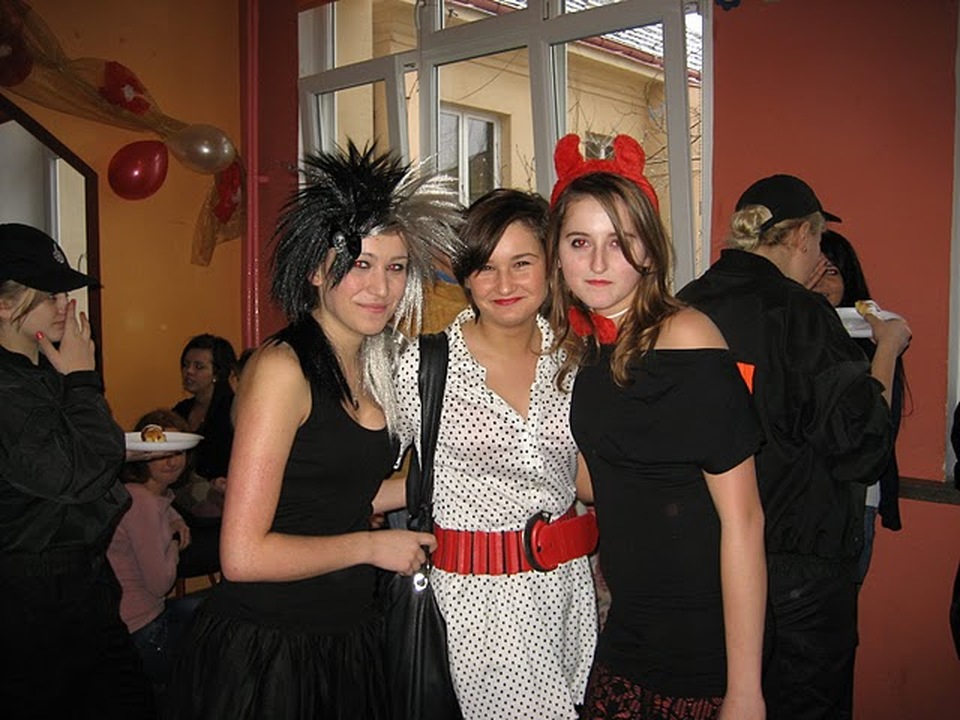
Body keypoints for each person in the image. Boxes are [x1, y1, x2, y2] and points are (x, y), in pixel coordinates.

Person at [166, 141, 464, 719]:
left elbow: (335, 498)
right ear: (316, 268)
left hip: (346, 634)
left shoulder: (372, 363)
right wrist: (373, 546)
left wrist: (454, 480)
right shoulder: (283, 368)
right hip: (272, 649)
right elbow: (242, 556)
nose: (381, 288)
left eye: (396, 267)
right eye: (360, 264)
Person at [547, 134, 767, 720]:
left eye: (620, 242)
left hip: (700, 645)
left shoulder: (688, 340)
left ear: (650, 249)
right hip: (627, 634)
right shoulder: (587, 346)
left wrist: (745, 690)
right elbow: (596, 482)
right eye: (580, 242)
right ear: (558, 253)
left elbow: (744, 520)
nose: (598, 263)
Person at [678, 174, 912, 720]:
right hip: (797, 581)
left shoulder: (685, 305)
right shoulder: (801, 316)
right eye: (819, 241)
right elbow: (864, 445)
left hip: (701, 565)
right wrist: (887, 350)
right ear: (803, 235)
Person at [395, 188, 598, 720]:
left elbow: (585, 480)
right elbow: (358, 474)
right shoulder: (421, 368)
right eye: (485, 267)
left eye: (522, 263)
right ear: (465, 276)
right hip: (473, 609)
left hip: (566, 598)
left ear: (551, 267)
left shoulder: (577, 361)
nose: (504, 285)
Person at [0, 223, 154, 718]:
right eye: (50, 295)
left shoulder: (42, 374)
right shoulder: (10, 387)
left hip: (78, 589)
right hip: (30, 601)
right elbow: (79, 474)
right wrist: (84, 379)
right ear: (4, 304)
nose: (65, 306)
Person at [811, 229, 907, 584]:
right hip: (798, 500)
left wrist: (887, 348)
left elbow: (877, 427)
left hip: (854, 499)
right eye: (813, 270)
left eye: (832, 272)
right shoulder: (789, 332)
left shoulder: (872, 338)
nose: (820, 283)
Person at [107, 408, 203, 707]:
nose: (171, 460)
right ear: (142, 455)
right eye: (161, 453)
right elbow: (161, 583)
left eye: (177, 451)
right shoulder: (143, 502)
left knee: (218, 606)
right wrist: (174, 543)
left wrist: (176, 521)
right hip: (143, 631)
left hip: (130, 622)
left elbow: (167, 509)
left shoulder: (143, 493)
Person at [172, 332, 238, 516]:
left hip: (224, 497)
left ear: (217, 373)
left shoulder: (232, 409)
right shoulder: (180, 410)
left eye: (199, 366)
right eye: (186, 365)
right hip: (185, 496)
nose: (189, 371)